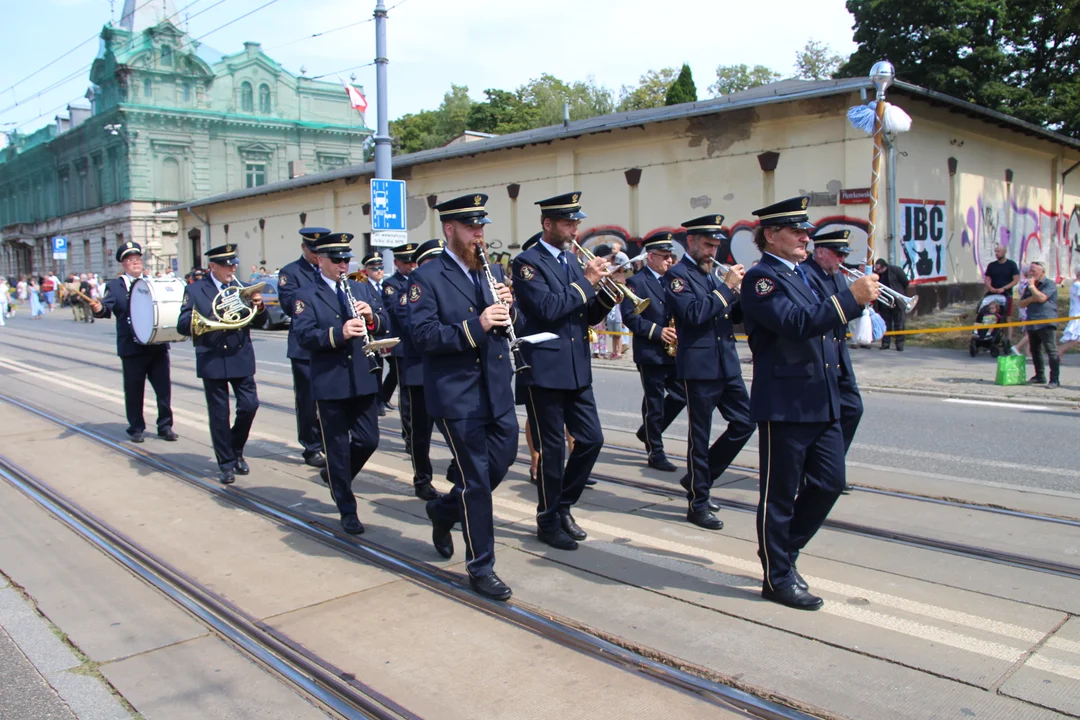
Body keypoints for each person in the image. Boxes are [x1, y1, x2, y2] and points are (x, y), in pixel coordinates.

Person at [740, 196, 880, 610]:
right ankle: (776, 575)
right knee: (779, 494)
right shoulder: (762, 279)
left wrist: (858, 301)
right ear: (771, 235)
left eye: (806, 230)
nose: (806, 236)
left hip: (823, 397)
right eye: (796, 231)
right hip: (786, 401)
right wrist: (849, 298)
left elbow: (830, 325)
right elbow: (798, 324)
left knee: (829, 483)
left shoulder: (806, 274)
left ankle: (784, 552)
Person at [411, 193, 521, 600]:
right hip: (457, 396)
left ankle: (442, 511)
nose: (479, 234)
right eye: (471, 227)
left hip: (496, 390)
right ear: (450, 230)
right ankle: (481, 567)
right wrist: (474, 325)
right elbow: (422, 336)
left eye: (482, 227)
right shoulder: (428, 277)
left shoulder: (487, 271)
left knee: (501, 462)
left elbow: (506, 327)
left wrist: (510, 307)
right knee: (476, 480)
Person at [513, 191, 616, 551]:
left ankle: (564, 505)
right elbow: (547, 308)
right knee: (553, 449)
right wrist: (588, 281)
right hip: (544, 368)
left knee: (591, 439)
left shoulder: (574, 263)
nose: (575, 228)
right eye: (568, 222)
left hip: (576, 367)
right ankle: (547, 518)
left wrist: (605, 296)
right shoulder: (527, 263)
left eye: (576, 222)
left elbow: (582, 315)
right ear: (548, 224)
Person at [290, 232, 390, 535]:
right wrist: (339, 333)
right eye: (336, 260)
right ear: (321, 260)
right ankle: (347, 507)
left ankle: (336, 476)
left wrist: (372, 316)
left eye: (346, 259)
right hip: (331, 379)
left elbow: (385, 322)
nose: (343, 264)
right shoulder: (306, 295)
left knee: (368, 440)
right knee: (336, 446)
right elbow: (305, 336)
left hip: (363, 377)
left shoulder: (359, 288)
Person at [665, 215, 753, 529]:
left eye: (716, 245)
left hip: (726, 364)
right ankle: (698, 502)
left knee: (745, 422)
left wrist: (742, 292)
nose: (712, 251)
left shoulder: (714, 275)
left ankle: (698, 478)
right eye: (707, 244)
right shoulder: (678, 275)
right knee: (699, 437)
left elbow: (731, 315)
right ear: (691, 242)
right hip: (699, 368)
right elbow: (694, 314)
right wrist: (727, 288)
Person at [176, 244, 264, 485]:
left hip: (240, 354)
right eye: (226, 265)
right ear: (212, 266)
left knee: (250, 405)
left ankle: (235, 448)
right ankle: (226, 462)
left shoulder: (244, 288)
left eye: (233, 264)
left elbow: (261, 319)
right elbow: (183, 323)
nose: (231, 268)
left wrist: (259, 303)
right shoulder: (195, 290)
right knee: (219, 413)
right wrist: (213, 319)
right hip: (212, 355)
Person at [89, 241, 177, 443]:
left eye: (137, 259)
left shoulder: (152, 282)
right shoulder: (116, 286)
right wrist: (98, 309)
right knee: (134, 390)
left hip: (156, 346)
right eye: (130, 260)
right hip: (132, 348)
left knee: (163, 390)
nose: (135, 263)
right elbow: (106, 308)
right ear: (123, 264)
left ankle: (165, 426)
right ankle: (136, 426)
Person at [621, 231, 685, 472]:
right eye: (665, 256)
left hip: (674, 351)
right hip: (651, 351)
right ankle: (655, 451)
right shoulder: (637, 282)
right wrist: (658, 332)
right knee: (655, 403)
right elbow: (630, 316)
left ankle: (647, 432)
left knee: (681, 395)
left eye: (672, 256)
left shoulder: (674, 280)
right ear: (651, 257)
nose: (670, 261)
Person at [388, 240, 439, 501]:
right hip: (420, 369)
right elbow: (413, 326)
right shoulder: (410, 291)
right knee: (421, 432)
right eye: (432, 262)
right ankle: (422, 479)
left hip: (448, 370)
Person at [805, 231, 863, 456]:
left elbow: (845, 313)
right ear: (820, 251)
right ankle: (819, 471)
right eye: (837, 254)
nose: (842, 259)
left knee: (852, 409)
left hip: (840, 358)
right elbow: (818, 315)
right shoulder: (807, 275)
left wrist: (862, 301)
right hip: (819, 358)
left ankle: (832, 467)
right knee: (821, 420)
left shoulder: (837, 276)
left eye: (844, 254)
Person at [277, 228, 330, 469]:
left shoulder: (331, 267)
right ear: (303, 248)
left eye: (321, 251)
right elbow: (291, 306)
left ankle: (329, 440)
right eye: (312, 250)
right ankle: (311, 446)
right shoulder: (291, 272)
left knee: (331, 396)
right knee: (308, 400)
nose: (317, 255)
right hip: (304, 347)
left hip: (330, 342)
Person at [381, 243, 418, 427]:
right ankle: (409, 433)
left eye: (413, 262)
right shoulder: (391, 285)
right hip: (403, 346)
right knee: (407, 393)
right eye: (406, 263)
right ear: (396, 262)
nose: (411, 266)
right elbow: (398, 312)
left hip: (422, 345)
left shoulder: (421, 279)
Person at [1018, 261, 1060, 388]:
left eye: (1034, 270)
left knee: (1051, 350)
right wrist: (1032, 297)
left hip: (1046, 321)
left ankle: (1054, 380)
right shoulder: (1029, 286)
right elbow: (1021, 304)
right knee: (1035, 350)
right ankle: (1039, 376)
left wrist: (1032, 288)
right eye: (1030, 270)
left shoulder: (1049, 284)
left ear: (1042, 272)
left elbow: (1042, 298)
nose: (1031, 273)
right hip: (1032, 321)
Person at [360, 252, 391, 415]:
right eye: (375, 269)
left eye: (381, 268)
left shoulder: (386, 286)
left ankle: (383, 398)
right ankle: (377, 401)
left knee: (388, 369)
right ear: (366, 270)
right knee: (375, 369)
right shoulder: (363, 287)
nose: (379, 271)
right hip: (372, 336)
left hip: (384, 333)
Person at [984, 245, 1021, 342]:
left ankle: (1008, 339)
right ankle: (988, 336)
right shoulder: (992, 265)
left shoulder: (1011, 264)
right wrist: (990, 288)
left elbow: (1015, 280)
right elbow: (987, 279)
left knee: (1006, 317)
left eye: (999, 251)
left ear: (1004, 252)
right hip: (993, 294)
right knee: (990, 314)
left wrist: (1004, 288)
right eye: (995, 251)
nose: (997, 253)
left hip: (1006, 294)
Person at [872, 258, 910, 350]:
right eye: (876, 269)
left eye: (879, 269)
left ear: (884, 267)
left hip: (897, 300)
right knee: (886, 323)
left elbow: (905, 282)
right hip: (884, 301)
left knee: (899, 323)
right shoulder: (877, 274)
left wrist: (901, 293)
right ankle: (885, 343)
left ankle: (899, 344)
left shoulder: (895, 270)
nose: (877, 271)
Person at [1058, 267, 1080, 360]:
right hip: (1077, 314)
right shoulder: (1077, 285)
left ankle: (1059, 351)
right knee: (1076, 337)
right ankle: (1059, 351)